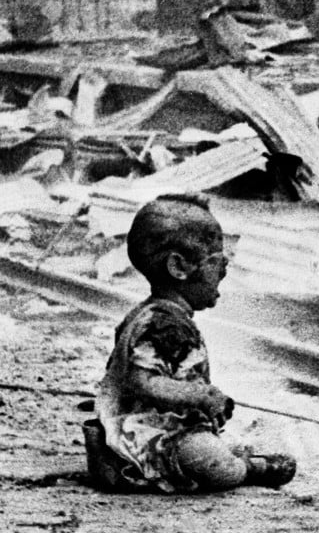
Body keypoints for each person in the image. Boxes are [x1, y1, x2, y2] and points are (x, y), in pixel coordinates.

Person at [85, 193, 296, 493]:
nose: (225, 269)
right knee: (219, 467)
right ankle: (250, 468)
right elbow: (143, 380)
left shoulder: (152, 314)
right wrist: (199, 396)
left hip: (154, 426)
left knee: (207, 446)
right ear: (178, 267)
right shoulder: (163, 324)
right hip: (145, 435)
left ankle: (233, 457)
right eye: (218, 260)